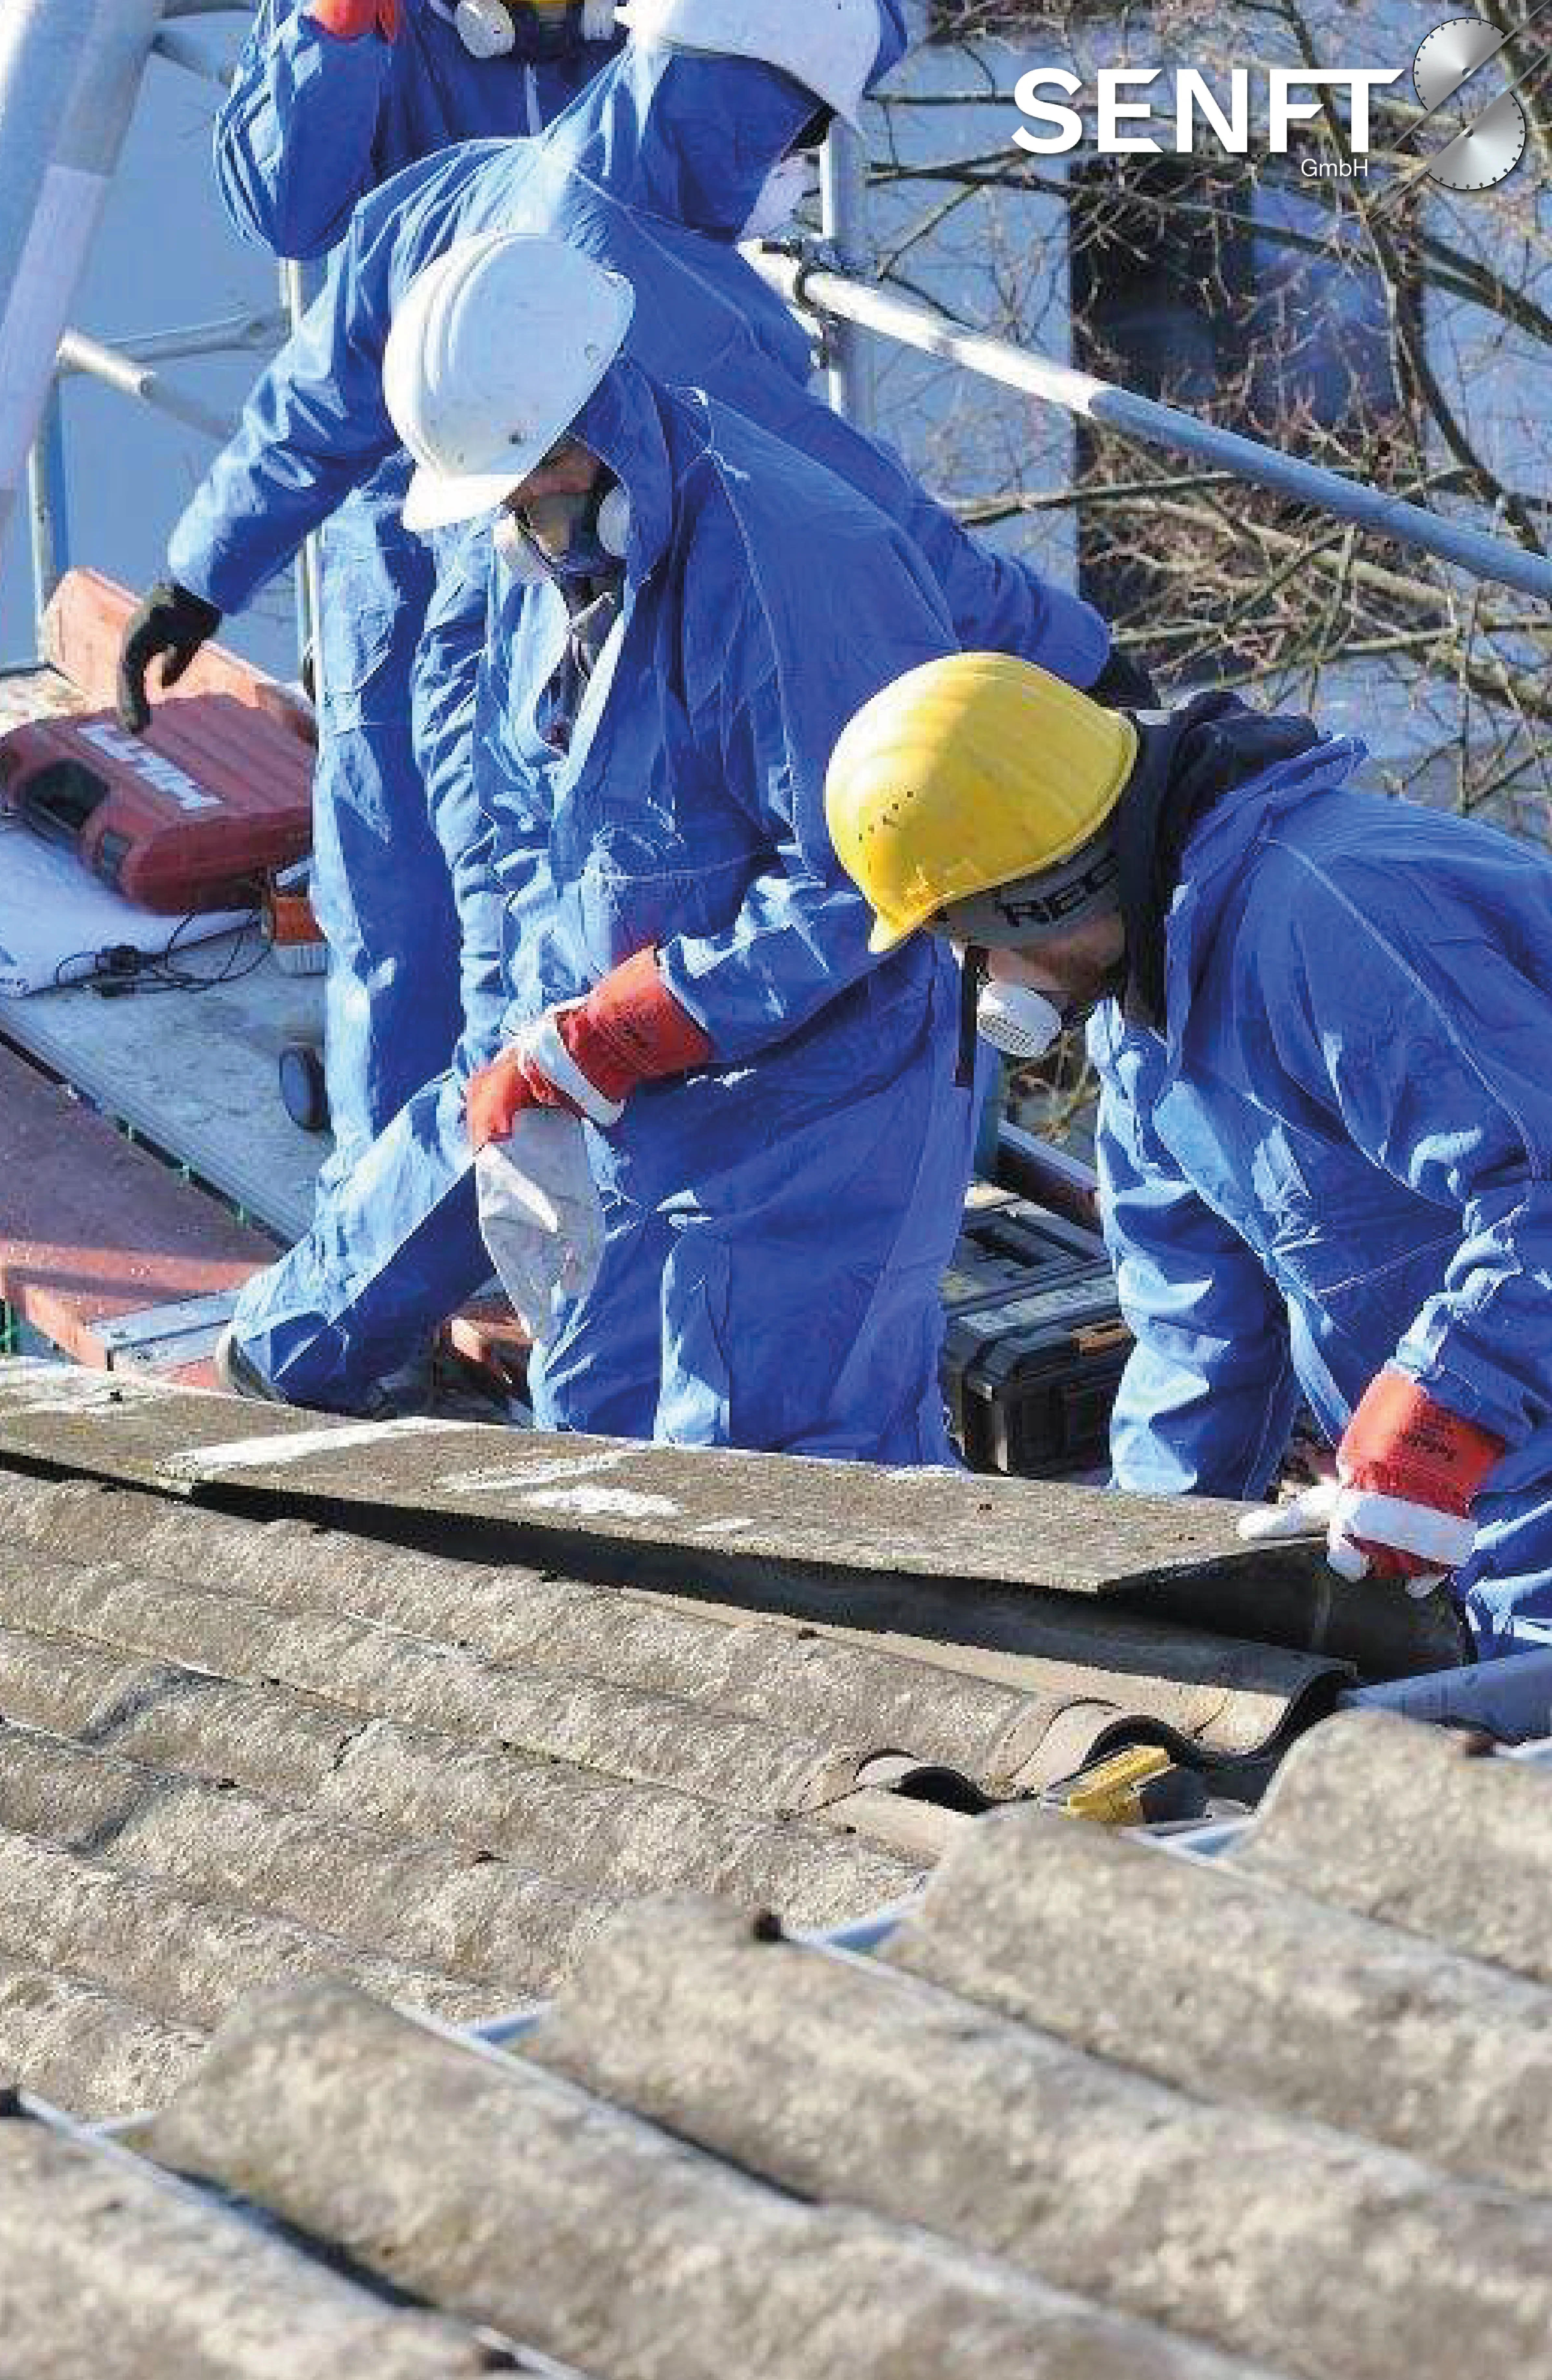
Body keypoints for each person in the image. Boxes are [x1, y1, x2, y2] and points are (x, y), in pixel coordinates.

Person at [131, 6, 1142, 1414]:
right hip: (559, 726)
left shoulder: (497, 207)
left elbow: (320, 377)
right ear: (736, 108)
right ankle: (331, 1324)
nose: (786, 168)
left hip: (548, 760)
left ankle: (335, 1320)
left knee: (473, 1026)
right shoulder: (657, 339)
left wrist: (200, 568)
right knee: (492, 1040)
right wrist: (1080, 655)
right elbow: (903, 534)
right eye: (790, 135)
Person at [366, 227, 983, 1457]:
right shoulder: (542, 554)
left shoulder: (790, 563)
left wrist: (623, 1024)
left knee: (784, 1483)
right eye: (505, 490)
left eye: (539, 472)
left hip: (818, 1103)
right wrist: (532, 1042)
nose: (529, 509)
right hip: (633, 1098)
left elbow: (873, 875)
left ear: (599, 399)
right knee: (596, 1432)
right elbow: (527, 826)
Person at [822, 650, 1552, 1651]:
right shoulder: (1144, 1026)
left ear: (1034, 895)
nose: (977, 974)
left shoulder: (1334, 921)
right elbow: (1199, 1335)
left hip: (1497, 1465)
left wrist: (1444, 1411)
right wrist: (1135, 1569)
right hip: (1477, 1497)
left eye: (966, 935)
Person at [121, 0, 628, 1235]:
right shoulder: (380, 36)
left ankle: (581, 1193)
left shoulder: (671, 54)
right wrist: (205, 571)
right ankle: (388, 1221)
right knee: (394, 872)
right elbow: (288, 214)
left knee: (599, 870)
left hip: (605, 502)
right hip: (410, 514)